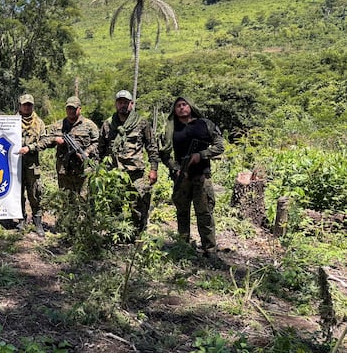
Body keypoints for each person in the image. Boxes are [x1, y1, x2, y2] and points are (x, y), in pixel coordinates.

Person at [159, 96, 224, 254]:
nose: (181, 108)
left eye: (184, 104)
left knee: (204, 213)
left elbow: (219, 146)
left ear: (191, 106)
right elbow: (164, 154)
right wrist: (176, 168)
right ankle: (183, 246)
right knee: (182, 212)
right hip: (182, 177)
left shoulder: (205, 124)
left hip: (202, 175)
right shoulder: (170, 127)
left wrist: (201, 155)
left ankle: (209, 249)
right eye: (178, 106)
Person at [97, 90, 160, 234]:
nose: (123, 105)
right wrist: (98, 170)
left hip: (135, 172)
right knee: (114, 205)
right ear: (116, 104)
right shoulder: (108, 124)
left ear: (131, 104)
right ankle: (117, 234)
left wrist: (153, 169)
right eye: (120, 102)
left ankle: (138, 235)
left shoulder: (142, 123)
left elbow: (152, 147)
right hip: (113, 172)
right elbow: (100, 149)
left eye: (126, 102)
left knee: (139, 205)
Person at [43, 96, 99, 195]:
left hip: (83, 170)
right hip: (64, 170)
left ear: (79, 109)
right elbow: (44, 139)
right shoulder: (58, 125)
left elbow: (97, 142)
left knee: (83, 199)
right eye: (69, 108)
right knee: (65, 198)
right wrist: (55, 139)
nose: (71, 111)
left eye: (74, 108)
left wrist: (86, 152)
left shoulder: (89, 125)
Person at [16, 94, 46, 237]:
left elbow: (44, 142)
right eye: (24, 104)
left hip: (32, 164)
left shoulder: (39, 123)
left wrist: (30, 147)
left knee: (34, 193)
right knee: (18, 192)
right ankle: (21, 218)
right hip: (15, 164)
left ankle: (37, 221)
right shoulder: (12, 121)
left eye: (29, 104)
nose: (27, 107)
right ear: (20, 105)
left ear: (32, 106)